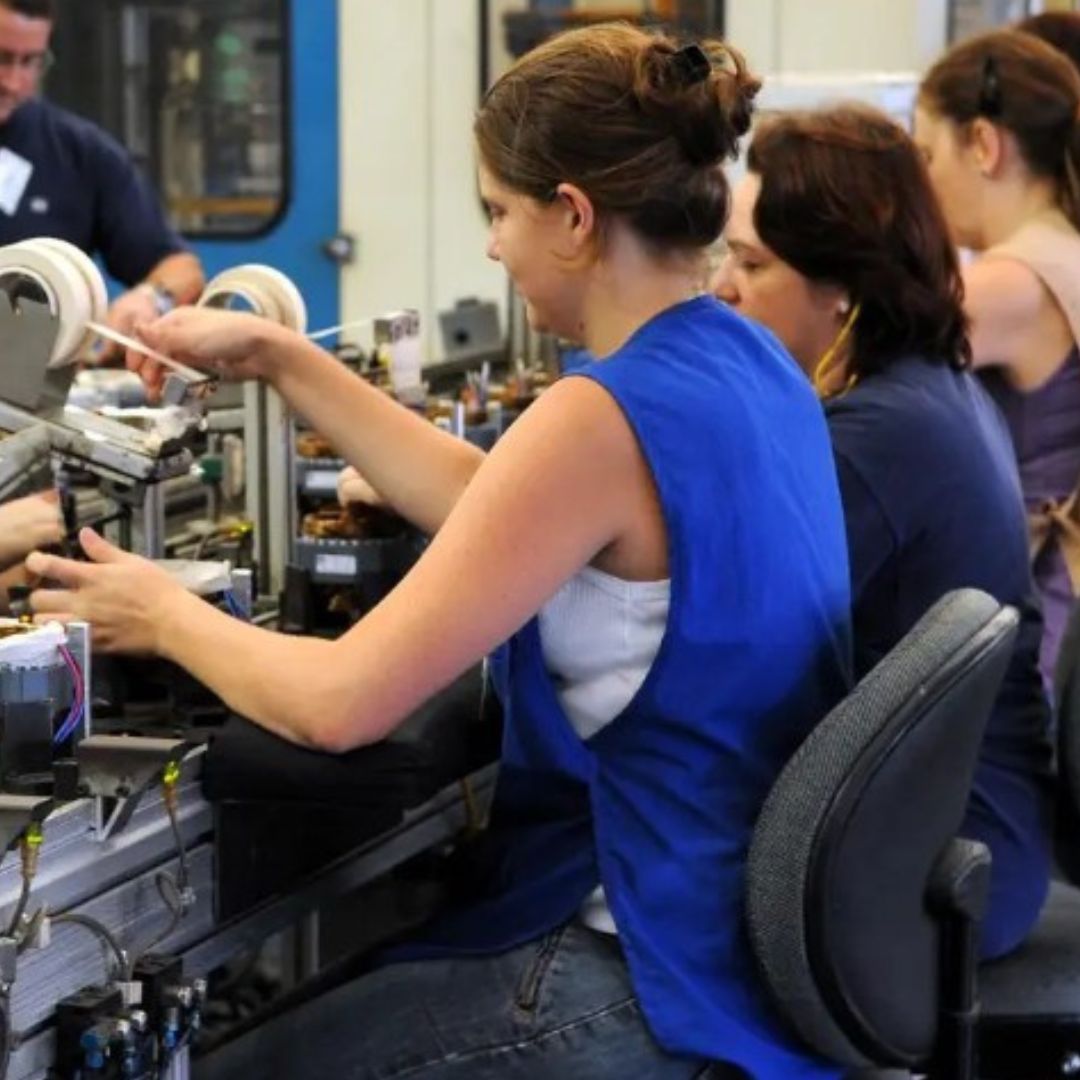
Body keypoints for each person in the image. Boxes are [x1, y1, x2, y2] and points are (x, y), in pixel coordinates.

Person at [27, 23, 853, 1080]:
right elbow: (495, 505)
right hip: (739, 941)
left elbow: (338, 705)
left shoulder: (600, 414)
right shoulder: (748, 358)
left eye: (499, 212)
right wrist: (281, 357)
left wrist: (160, 613)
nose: (494, 247)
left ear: (574, 216)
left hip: (641, 967)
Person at [715, 104, 1052, 960]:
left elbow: (725, 645)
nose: (722, 287)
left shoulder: (876, 437)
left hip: (932, 870)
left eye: (752, 263)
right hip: (972, 842)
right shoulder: (928, 386)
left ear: (842, 285)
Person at [915, 29, 1080, 688]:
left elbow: (863, 365)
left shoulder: (1009, 282)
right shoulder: (1064, 248)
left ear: (983, 144)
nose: (924, 181)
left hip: (1045, 601)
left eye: (927, 154)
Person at [0, 0, 204, 335]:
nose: (13, 82)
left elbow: (181, 269)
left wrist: (152, 299)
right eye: (2, 58)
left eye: (30, 62)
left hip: (36, 363)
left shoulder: (80, 153)